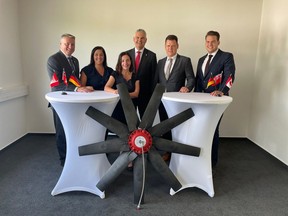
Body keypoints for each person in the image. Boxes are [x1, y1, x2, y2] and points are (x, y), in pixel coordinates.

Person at [47, 33, 93, 166]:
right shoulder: (53, 60)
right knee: (62, 132)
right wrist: (78, 89)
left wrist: (83, 87)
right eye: (66, 44)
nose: (70, 46)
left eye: (72, 44)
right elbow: (57, 84)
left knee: (73, 131)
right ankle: (64, 160)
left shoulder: (75, 61)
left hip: (73, 102)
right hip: (60, 102)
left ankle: (72, 156)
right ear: (60, 44)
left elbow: (75, 81)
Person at [194, 30, 236, 168]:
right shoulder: (201, 59)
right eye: (207, 41)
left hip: (217, 100)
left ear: (218, 42)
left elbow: (229, 76)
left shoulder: (226, 56)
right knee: (201, 128)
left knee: (212, 128)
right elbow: (199, 81)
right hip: (201, 101)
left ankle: (211, 162)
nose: (210, 44)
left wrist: (222, 91)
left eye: (213, 41)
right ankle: (201, 157)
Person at [155, 34, 195, 160]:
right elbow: (157, 82)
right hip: (162, 101)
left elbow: (191, 78)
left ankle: (177, 152)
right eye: (168, 45)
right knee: (165, 126)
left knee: (177, 127)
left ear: (177, 46)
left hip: (177, 101)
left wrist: (187, 88)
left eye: (173, 45)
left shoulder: (185, 60)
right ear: (164, 46)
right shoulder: (160, 62)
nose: (170, 48)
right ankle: (167, 151)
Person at [126, 29, 157, 118]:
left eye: (142, 38)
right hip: (130, 95)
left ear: (146, 40)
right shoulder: (126, 54)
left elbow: (154, 77)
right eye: (137, 37)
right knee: (130, 121)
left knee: (145, 121)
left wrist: (152, 96)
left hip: (145, 95)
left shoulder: (152, 56)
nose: (139, 40)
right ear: (133, 39)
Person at [104, 51, 140, 125]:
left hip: (131, 107)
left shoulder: (135, 76)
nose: (125, 63)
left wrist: (123, 95)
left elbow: (136, 94)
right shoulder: (115, 74)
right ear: (120, 62)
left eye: (127, 60)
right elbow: (106, 87)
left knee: (131, 129)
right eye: (123, 61)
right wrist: (114, 91)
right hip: (118, 106)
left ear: (130, 61)